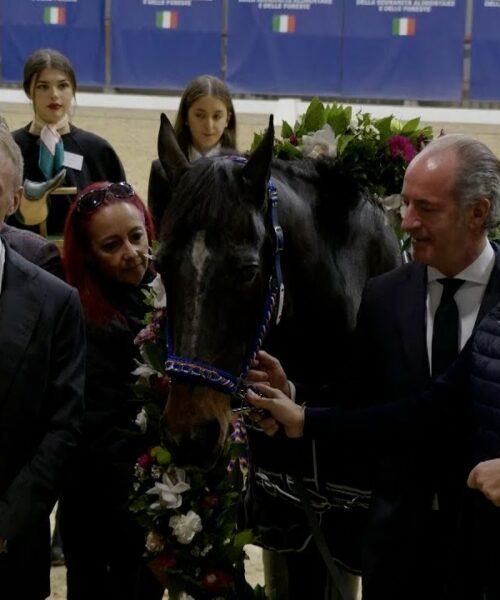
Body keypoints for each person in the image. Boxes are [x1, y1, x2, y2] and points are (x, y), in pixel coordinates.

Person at [247, 134, 500, 600]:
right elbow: (367, 403)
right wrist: (298, 399)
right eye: (405, 204)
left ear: (478, 212)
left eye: (425, 208)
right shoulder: (385, 297)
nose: (406, 222)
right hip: (399, 556)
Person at [59, 182, 164, 600]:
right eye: (112, 245)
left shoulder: (164, 293)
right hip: (99, 512)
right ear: (88, 255)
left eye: (137, 236)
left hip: (154, 506)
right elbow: (93, 430)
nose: (131, 253)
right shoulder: (79, 316)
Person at [0, 128, 85, 599]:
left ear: (13, 201)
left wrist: (6, 523)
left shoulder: (55, 303)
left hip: (12, 550)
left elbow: (63, 426)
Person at [11, 48, 125, 236]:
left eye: (63, 86)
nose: (54, 94)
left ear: (73, 89)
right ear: (28, 91)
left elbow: (119, 211)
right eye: (43, 86)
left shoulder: (98, 150)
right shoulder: (10, 148)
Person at [148, 74, 237, 230]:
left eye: (217, 116)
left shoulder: (239, 169)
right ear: (186, 116)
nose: (209, 125)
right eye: (199, 115)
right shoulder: (161, 171)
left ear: (228, 119)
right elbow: (157, 230)